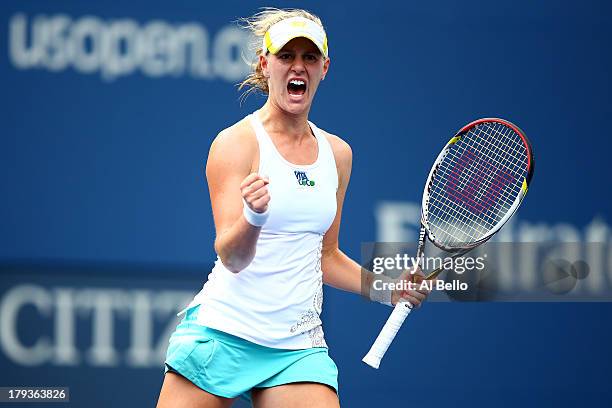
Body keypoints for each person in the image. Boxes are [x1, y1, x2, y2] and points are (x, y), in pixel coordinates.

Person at [156, 8, 431, 408]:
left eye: (309, 57)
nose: (297, 67)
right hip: (223, 331)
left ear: (325, 68)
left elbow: (327, 256)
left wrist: (389, 289)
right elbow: (231, 257)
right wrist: (254, 217)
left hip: (295, 346)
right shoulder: (235, 144)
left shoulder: (338, 154)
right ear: (266, 65)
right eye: (286, 57)